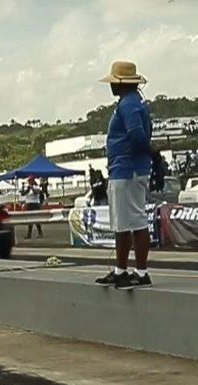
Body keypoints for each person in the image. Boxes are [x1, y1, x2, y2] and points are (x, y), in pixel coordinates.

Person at [95, 61, 155, 289]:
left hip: (127, 169)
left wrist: (151, 153)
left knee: (135, 222)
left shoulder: (128, 106)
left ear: (121, 84)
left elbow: (137, 136)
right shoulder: (133, 102)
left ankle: (140, 273)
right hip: (128, 168)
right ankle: (122, 270)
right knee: (123, 222)